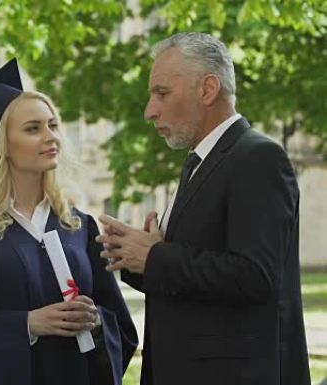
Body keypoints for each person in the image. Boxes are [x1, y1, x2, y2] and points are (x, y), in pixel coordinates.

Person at [97, 32, 310, 385]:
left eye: (161, 93)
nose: (149, 111)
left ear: (208, 89)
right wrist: (134, 256)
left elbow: (255, 276)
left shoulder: (258, 158)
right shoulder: (198, 162)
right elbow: (193, 270)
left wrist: (155, 256)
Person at [0, 59, 137, 385]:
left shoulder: (78, 227)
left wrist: (96, 323)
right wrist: (27, 326)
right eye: (33, 128)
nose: (50, 136)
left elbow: (120, 328)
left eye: (53, 125)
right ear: (4, 146)